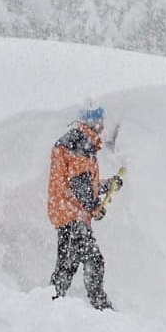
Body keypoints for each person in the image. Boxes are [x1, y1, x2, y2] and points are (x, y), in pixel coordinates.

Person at [47, 104, 123, 310]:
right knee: (94, 260)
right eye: (100, 120)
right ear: (92, 122)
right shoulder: (80, 142)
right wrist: (95, 207)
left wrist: (108, 184)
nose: (102, 125)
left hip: (67, 211)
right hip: (72, 213)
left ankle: (50, 303)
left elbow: (84, 183)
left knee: (68, 264)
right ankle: (100, 305)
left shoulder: (78, 140)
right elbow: (79, 183)